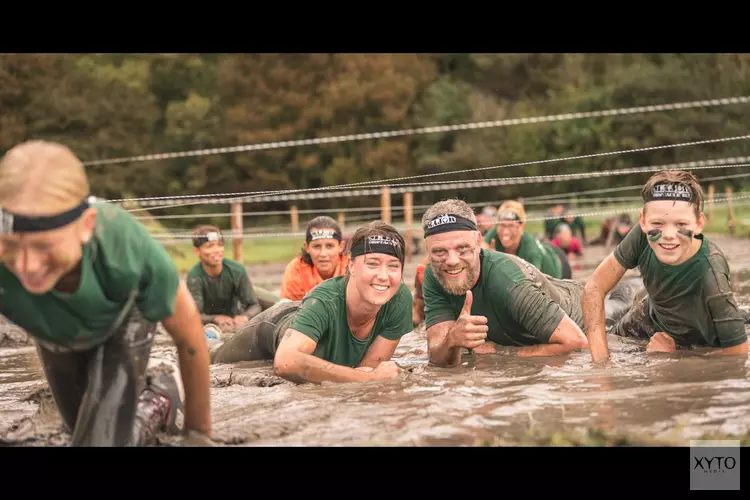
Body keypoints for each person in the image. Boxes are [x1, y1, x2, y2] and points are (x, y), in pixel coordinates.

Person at [0, 140, 212, 446]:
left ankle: (160, 396)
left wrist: (198, 433)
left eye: (44, 246)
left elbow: (189, 331)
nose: (26, 266)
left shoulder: (126, 252)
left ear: (86, 225)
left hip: (122, 321)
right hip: (55, 334)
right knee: (80, 435)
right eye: (9, 246)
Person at [420, 199, 637, 366]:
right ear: (428, 251)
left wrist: (501, 352)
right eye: (439, 252)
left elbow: (577, 342)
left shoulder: (507, 281)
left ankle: (634, 283)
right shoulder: (433, 274)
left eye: (461, 248)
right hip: (542, 296)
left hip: (577, 312)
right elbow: (437, 355)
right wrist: (452, 340)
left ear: (478, 242)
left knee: (621, 304)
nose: (451, 261)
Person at [209, 221, 412, 384]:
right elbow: (286, 362)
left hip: (308, 316)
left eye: (394, 266)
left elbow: (367, 368)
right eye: (372, 264)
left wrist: (367, 377)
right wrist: (367, 377)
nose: (384, 276)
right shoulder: (325, 298)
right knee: (213, 358)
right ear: (351, 265)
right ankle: (209, 339)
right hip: (274, 326)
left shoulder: (399, 298)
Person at [582, 170, 749, 362]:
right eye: (658, 223)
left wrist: (676, 355)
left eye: (681, 224)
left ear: (699, 224)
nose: (668, 234)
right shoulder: (641, 236)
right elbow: (593, 288)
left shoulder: (711, 274)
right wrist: (602, 368)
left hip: (696, 339)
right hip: (650, 315)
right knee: (606, 341)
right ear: (643, 222)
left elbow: (738, 353)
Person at [186, 225, 262, 336]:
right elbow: (194, 315)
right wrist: (215, 318)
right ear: (197, 251)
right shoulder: (194, 276)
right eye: (209, 246)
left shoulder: (237, 270)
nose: (216, 250)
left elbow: (255, 305)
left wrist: (245, 317)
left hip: (234, 320)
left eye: (220, 245)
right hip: (209, 325)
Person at [481, 200, 572, 279]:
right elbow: (480, 250)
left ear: (522, 227)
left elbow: (531, 287)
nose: (505, 232)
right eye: (502, 225)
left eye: (511, 226)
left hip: (559, 265)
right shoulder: (496, 231)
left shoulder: (531, 252)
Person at [279, 216, 349, 301]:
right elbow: (288, 307)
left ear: (341, 246)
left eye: (329, 246)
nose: (323, 253)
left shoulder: (352, 266)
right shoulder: (296, 269)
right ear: (307, 247)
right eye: (316, 246)